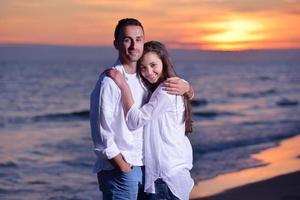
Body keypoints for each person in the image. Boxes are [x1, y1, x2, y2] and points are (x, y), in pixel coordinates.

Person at [90, 18, 193, 200]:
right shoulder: (110, 81)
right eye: (127, 39)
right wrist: (122, 166)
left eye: (138, 39)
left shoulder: (144, 79)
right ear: (116, 44)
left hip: (146, 170)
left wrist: (188, 89)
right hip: (123, 170)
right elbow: (101, 133)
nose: (133, 45)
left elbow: (167, 100)